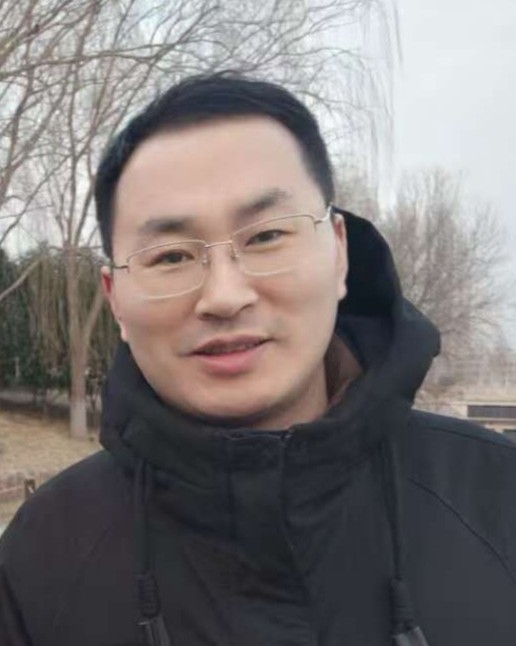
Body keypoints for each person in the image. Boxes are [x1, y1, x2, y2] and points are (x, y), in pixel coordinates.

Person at [1, 73, 516, 646]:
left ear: (339, 252)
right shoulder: (40, 560)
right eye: (170, 256)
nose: (224, 297)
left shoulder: (498, 497)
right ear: (115, 298)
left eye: (266, 237)